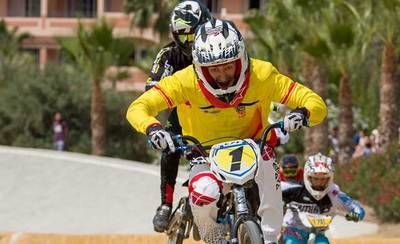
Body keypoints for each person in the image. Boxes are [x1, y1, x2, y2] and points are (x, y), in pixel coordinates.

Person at [126, 18, 327, 243]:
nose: (222, 76)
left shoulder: (262, 75)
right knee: (204, 192)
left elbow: (315, 102)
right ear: (200, 68)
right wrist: (153, 129)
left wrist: (302, 114)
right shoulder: (183, 82)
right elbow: (138, 107)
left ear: (241, 59)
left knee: (270, 175)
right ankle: (214, 237)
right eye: (214, 70)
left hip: (254, 145)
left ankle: (270, 238)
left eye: (228, 66)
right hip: (204, 153)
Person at [144, 0, 212, 233]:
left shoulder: (220, 45)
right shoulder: (168, 55)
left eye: (195, 35)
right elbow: (151, 91)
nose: (190, 42)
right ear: (175, 35)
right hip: (184, 111)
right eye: (184, 36)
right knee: (170, 144)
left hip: (221, 110)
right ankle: (165, 204)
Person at [281, 153, 365, 244]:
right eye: (315, 179)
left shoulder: (334, 193)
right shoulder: (293, 189)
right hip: (293, 231)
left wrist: (356, 215)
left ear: (330, 178)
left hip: (317, 234)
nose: (319, 183)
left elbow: (355, 207)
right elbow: (270, 200)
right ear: (307, 177)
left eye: (323, 179)